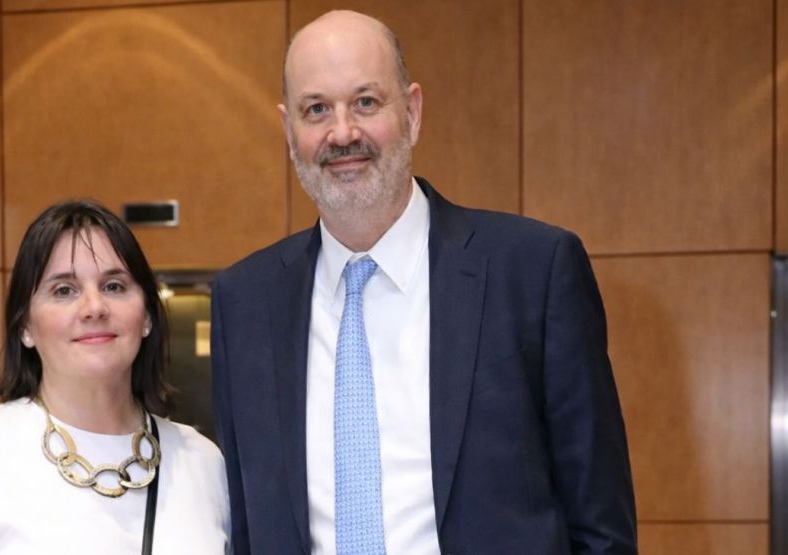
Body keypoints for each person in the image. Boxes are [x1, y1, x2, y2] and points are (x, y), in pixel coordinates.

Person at [210, 9, 636, 555]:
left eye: (366, 102)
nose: (343, 133)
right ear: (289, 131)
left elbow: (602, 528)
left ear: (411, 112)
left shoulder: (534, 271)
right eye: (317, 109)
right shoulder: (243, 303)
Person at [0, 200, 230, 554]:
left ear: (146, 316)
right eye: (64, 290)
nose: (94, 307)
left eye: (114, 286)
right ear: (25, 327)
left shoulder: (203, 463)